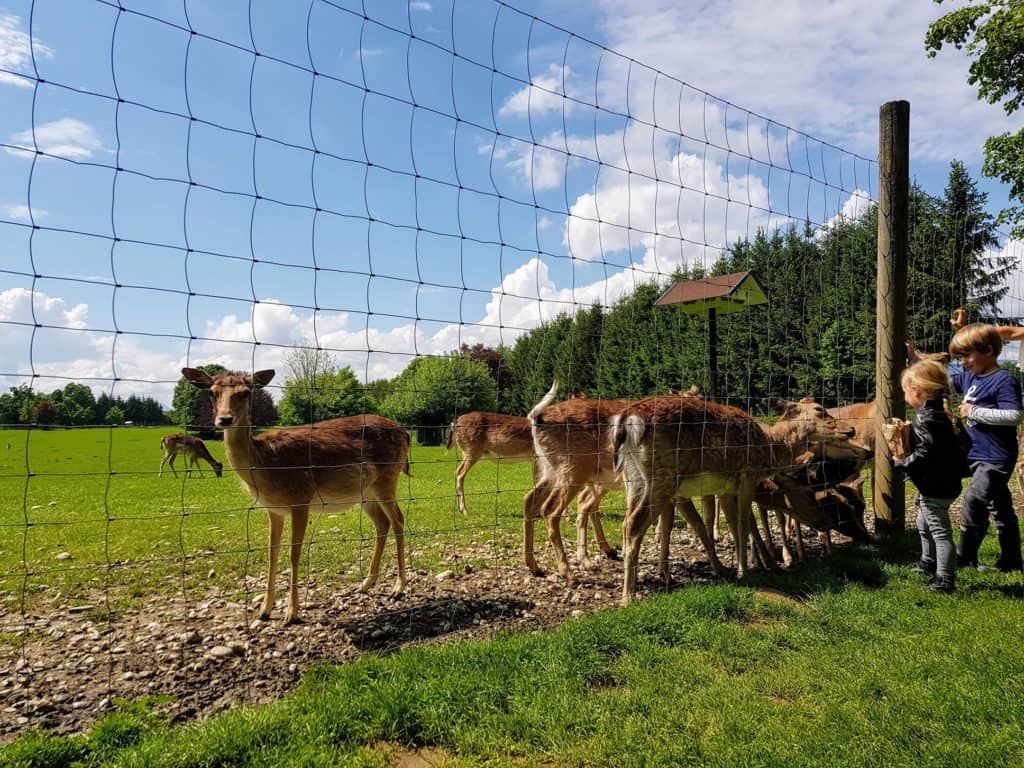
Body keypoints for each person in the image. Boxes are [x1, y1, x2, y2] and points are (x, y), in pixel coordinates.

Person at [947, 320, 1024, 572]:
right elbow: (944, 383)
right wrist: (916, 363)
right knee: (1000, 507)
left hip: (997, 457)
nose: (963, 362)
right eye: (960, 357)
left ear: (989, 352)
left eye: (967, 356)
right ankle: (1012, 562)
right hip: (976, 452)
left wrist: (974, 412)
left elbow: (1014, 416)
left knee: (974, 499)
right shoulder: (971, 376)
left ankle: (966, 559)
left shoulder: (1003, 380)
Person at [893, 360, 966, 592]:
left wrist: (903, 462)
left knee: (940, 532)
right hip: (945, 483)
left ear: (916, 391)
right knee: (922, 523)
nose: (905, 397)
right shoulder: (943, 416)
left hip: (935, 486)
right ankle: (928, 561)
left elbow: (925, 451)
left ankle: (945, 579)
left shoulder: (925, 418)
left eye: (905, 391)